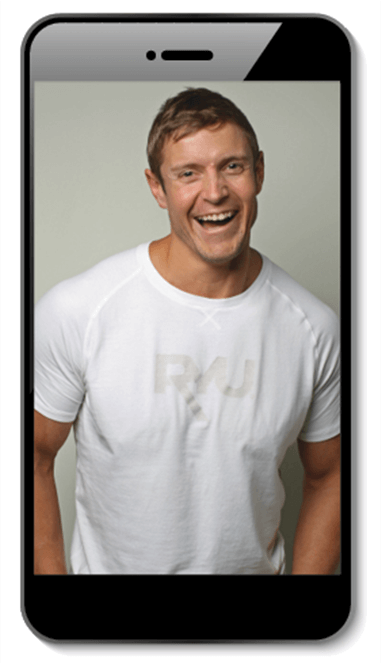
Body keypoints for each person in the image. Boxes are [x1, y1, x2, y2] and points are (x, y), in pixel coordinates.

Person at [34, 87, 340, 575]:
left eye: (232, 166)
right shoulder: (79, 310)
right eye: (188, 174)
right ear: (157, 187)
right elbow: (31, 457)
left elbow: (330, 475)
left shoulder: (314, 328)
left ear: (259, 171)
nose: (214, 192)